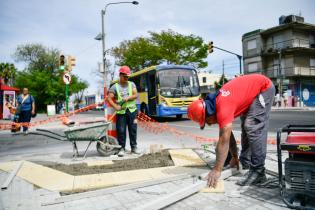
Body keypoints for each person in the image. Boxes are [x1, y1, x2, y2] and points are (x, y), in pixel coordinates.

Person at [187, 74, 275, 187]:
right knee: (246, 125)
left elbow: (223, 140)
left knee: (252, 126)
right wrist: (234, 157)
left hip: (264, 88)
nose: (209, 124)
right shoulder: (215, 106)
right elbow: (228, 137)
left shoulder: (222, 107)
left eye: (207, 122)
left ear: (208, 115)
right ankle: (245, 162)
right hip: (253, 90)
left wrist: (217, 170)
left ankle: (258, 172)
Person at [107, 66, 139, 157]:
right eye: (125, 76)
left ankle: (134, 147)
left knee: (133, 130)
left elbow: (136, 94)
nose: (126, 78)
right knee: (121, 131)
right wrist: (115, 106)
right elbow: (109, 98)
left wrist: (128, 98)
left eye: (127, 76)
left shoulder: (131, 84)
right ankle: (121, 148)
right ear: (120, 75)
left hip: (132, 111)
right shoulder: (114, 87)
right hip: (121, 113)